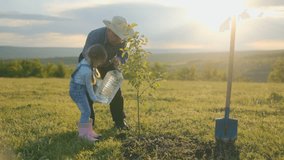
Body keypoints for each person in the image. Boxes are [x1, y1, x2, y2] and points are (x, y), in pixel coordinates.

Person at [78, 16, 134, 130]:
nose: (119, 39)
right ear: (109, 30)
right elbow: (87, 55)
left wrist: (119, 59)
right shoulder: (95, 35)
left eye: (120, 37)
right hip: (89, 61)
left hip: (108, 63)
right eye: (116, 36)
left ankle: (120, 122)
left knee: (116, 92)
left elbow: (124, 55)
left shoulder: (122, 38)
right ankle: (88, 125)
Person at [70, 44, 107, 142]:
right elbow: (89, 87)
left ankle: (89, 132)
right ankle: (82, 135)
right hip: (77, 91)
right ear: (95, 59)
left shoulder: (86, 61)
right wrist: (95, 98)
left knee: (87, 111)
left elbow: (94, 82)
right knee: (86, 112)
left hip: (78, 89)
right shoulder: (86, 71)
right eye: (99, 62)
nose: (99, 65)